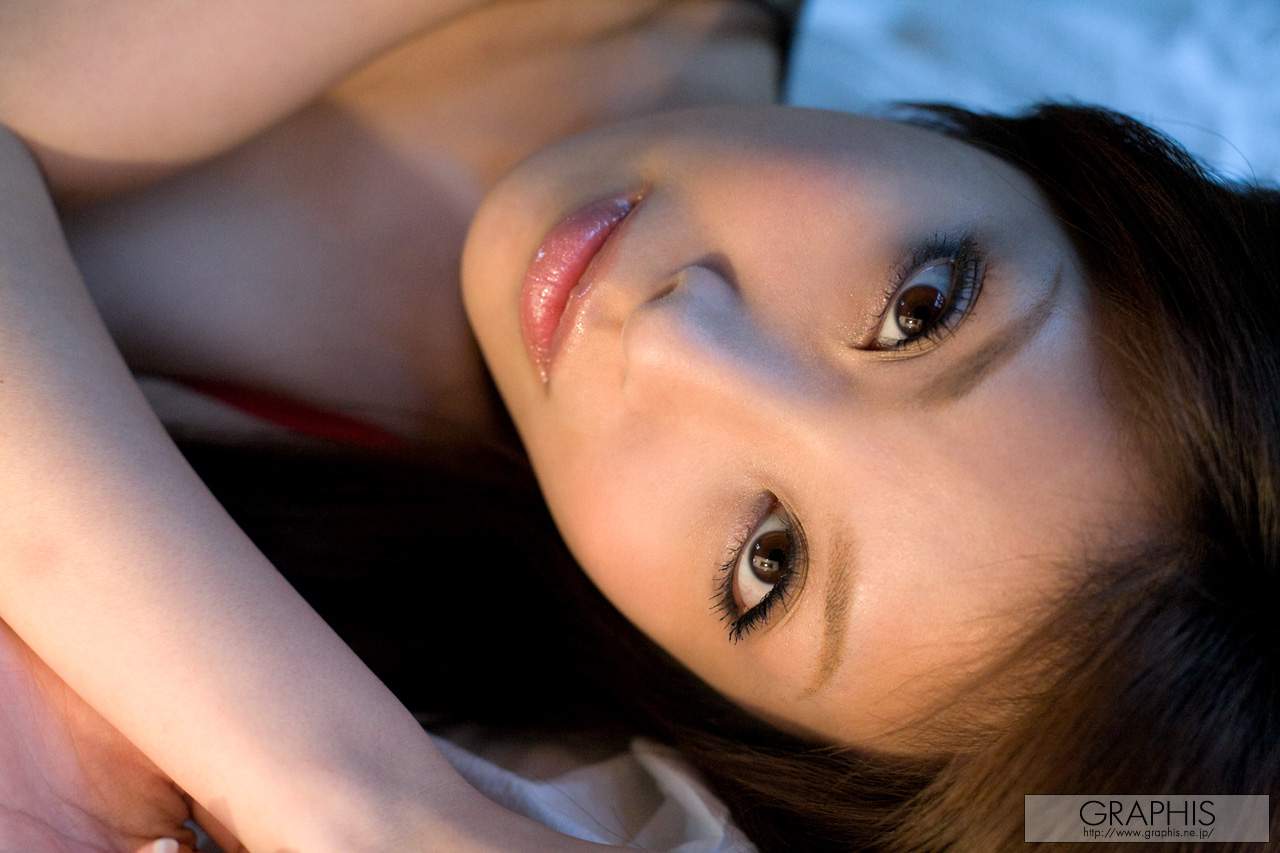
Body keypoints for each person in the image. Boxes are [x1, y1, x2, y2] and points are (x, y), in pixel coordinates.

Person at [0, 1, 1275, 851]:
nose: (674, 340)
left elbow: (1145, 820)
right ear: (1071, 177)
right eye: (918, 309)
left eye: (767, 561)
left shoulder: (469, 634)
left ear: (728, 720)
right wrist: (349, 798)